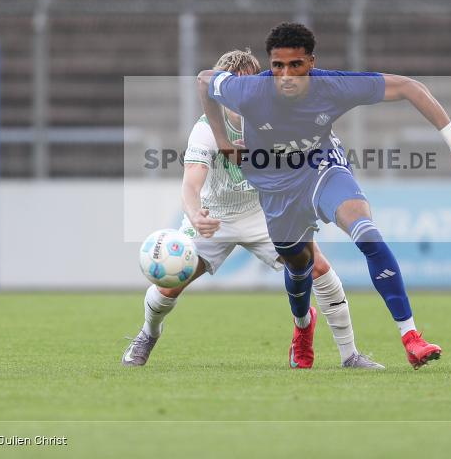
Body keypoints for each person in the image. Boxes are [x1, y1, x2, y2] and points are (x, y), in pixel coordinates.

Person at [197, 22, 451, 369]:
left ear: (311, 63)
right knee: (299, 267)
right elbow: (203, 80)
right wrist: (223, 142)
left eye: (295, 65)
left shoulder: (333, 86)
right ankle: (303, 329)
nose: (286, 75)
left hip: (322, 169)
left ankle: (411, 338)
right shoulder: (250, 91)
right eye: (278, 66)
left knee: (366, 232)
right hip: (275, 186)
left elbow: (409, 87)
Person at [123, 49, 384, 370]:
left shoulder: (277, 121)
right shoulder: (206, 130)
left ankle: (350, 355)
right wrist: (194, 213)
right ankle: (147, 334)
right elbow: (191, 184)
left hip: (265, 212)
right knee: (169, 285)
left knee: (318, 268)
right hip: (216, 216)